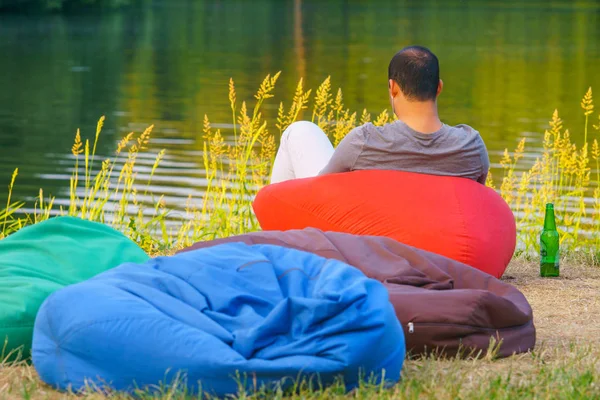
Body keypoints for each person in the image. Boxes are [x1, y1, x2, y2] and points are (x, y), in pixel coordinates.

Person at [270, 45, 490, 185]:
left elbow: (319, 190)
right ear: (439, 87)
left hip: (368, 241)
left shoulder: (365, 141)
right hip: (436, 244)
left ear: (392, 87)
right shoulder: (471, 147)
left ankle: (275, 239)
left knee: (299, 131)